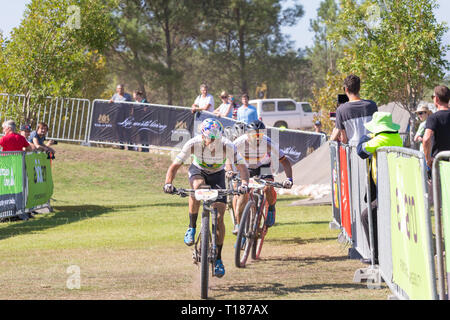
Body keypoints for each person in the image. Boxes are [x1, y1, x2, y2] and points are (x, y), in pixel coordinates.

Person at [163, 118, 250, 278]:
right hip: (198, 171)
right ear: (202, 136)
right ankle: (192, 227)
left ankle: (218, 259)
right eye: (210, 139)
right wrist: (168, 183)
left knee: (219, 216)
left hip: (218, 176)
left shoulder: (227, 146)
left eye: (216, 139)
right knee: (197, 188)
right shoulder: (193, 143)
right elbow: (174, 166)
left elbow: (242, 167)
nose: (213, 143)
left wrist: (244, 183)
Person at [357, 111, 403, 264]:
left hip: (386, 188)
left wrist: (366, 137)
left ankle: (375, 256)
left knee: (366, 216)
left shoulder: (379, 140)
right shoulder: (395, 137)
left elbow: (361, 151)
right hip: (392, 185)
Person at [232, 120, 293, 233]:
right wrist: (230, 171)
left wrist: (289, 179)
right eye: (254, 135)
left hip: (263, 165)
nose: (257, 138)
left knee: (268, 188)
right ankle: (238, 224)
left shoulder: (268, 142)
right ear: (247, 134)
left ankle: (271, 207)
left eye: (260, 135)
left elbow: (285, 161)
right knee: (239, 192)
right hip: (245, 167)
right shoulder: (239, 142)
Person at [330, 74, 378, 145]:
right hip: (372, 151)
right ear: (359, 88)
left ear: (346, 89)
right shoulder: (372, 105)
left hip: (354, 152)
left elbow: (344, 139)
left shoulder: (341, 110)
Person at [423, 85, 450, 170]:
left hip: (441, 164)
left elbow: (426, 139)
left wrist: (428, 159)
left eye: (432, 97)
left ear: (437, 99)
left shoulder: (433, 118)